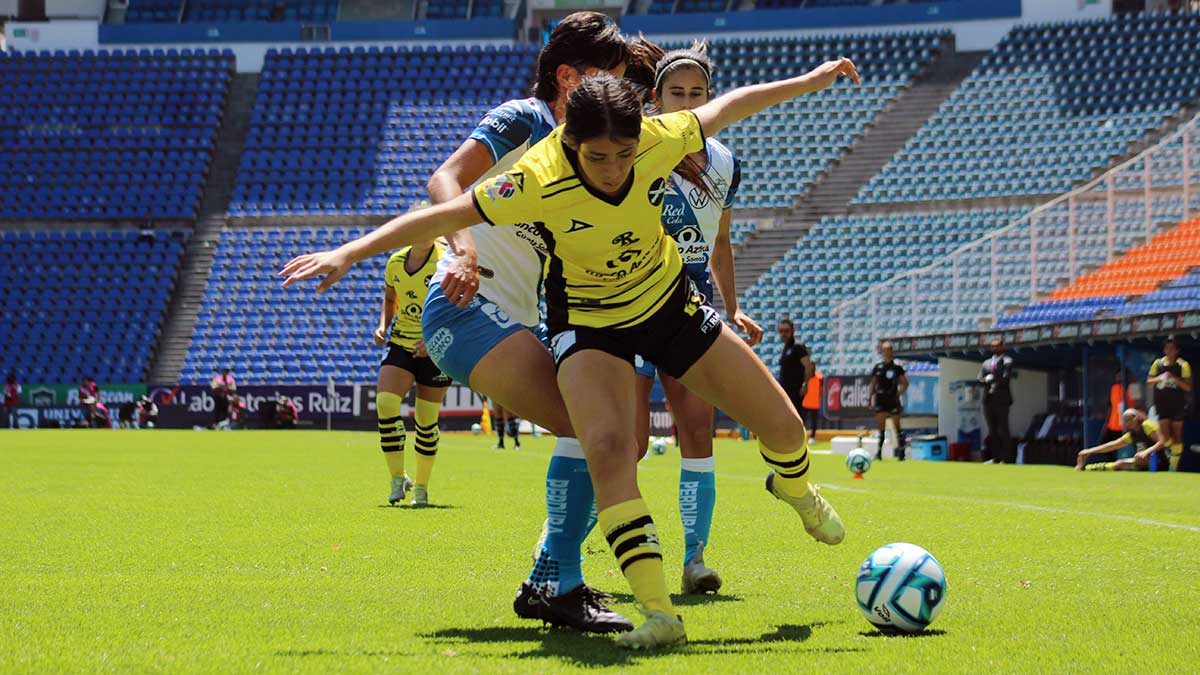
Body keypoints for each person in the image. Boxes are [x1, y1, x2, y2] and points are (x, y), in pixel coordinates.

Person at [282, 58, 862, 648]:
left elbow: (729, 105)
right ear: (571, 144)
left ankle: (794, 488)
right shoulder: (536, 176)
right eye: (598, 157)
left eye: (624, 155)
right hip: (589, 327)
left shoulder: (661, 136)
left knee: (786, 430)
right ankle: (660, 615)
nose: (614, 170)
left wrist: (810, 82)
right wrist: (349, 253)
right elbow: (442, 211)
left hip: (670, 307)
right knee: (610, 447)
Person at [414, 12, 633, 633]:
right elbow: (445, 179)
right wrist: (460, 247)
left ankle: (552, 577)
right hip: (464, 308)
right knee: (600, 435)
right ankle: (555, 580)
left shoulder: (580, 151)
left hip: (511, 319)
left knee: (623, 441)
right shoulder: (526, 119)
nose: (614, 95)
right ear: (567, 76)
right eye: (603, 79)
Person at [628, 41, 763, 596]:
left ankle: (695, 559)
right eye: (675, 93)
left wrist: (733, 306)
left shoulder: (726, 162)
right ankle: (579, 551)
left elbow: (723, 240)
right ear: (654, 99)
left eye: (697, 94)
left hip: (692, 301)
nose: (687, 102)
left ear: (711, 99)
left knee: (697, 432)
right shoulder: (634, 147)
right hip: (629, 300)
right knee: (626, 442)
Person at [373, 225, 452, 506]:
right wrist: (383, 325)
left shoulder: (446, 261)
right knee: (385, 403)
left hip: (436, 348)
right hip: (401, 341)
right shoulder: (395, 261)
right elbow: (390, 297)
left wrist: (434, 339)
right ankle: (398, 478)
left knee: (426, 421)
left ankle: (421, 486)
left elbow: (461, 305)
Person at [1076, 409, 1171, 471]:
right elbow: (1112, 445)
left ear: (1137, 418)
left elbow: (1162, 442)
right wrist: (1088, 451)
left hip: (1160, 462)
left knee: (1123, 463)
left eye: (1129, 419)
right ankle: (1085, 468)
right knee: (1119, 464)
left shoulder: (1147, 425)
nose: (1127, 422)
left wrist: (1146, 452)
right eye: (1125, 420)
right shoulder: (1132, 434)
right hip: (1144, 463)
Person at [1147, 336, 1191, 469]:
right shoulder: (1158, 363)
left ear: (1177, 350)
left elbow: (1188, 387)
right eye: (1167, 348)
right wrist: (1161, 378)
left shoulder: (1183, 365)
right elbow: (1149, 381)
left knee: (1177, 436)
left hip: (1177, 405)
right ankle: (1174, 452)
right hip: (1162, 404)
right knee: (1165, 438)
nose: (1169, 351)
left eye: (1172, 348)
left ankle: (1173, 467)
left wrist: (1174, 379)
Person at [870, 341, 909, 461]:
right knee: (881, 426)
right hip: (881, 399)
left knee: (897, 426)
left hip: (892, 399)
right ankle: (879, 453)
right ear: (882, 351)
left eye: (889, 349)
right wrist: (869, 398)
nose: (887, 352)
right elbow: (873, 384)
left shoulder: (897, 368)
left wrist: (898, 394)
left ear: (892, 351)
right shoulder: (878, 367)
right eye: (885, 350)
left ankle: (901, 453)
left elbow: (905, 383)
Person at [979, 338, 1014, 464]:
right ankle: (995, 457)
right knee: (992, 430)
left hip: (1002, 401)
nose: (996, 349)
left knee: (1003, 429)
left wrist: (993, 379)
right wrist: (985, 380)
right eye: (993, 346)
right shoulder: (986, 363)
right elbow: (980, 379)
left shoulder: (1007, 361)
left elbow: (1006, 378)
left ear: (1002, 347)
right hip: (989, 400)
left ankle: (1006, 458)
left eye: (998, 346)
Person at [777, 319, 814, 416]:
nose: (783, 334)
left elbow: (808, 366)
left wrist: (805, 385)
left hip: (796, 391)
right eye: (781, 331)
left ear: (792, 331)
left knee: (795, 417)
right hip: (786, 391)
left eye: (786, 331)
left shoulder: (798, 347)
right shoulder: (785, 348)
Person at [801, 370, 822, 437]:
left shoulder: (819, 377)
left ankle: (812, 436)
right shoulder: (805, 377)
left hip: (815, 404)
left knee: (814, 422)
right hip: (805, 403)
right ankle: (801, 435)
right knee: (802, 421)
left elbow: (821, 389)